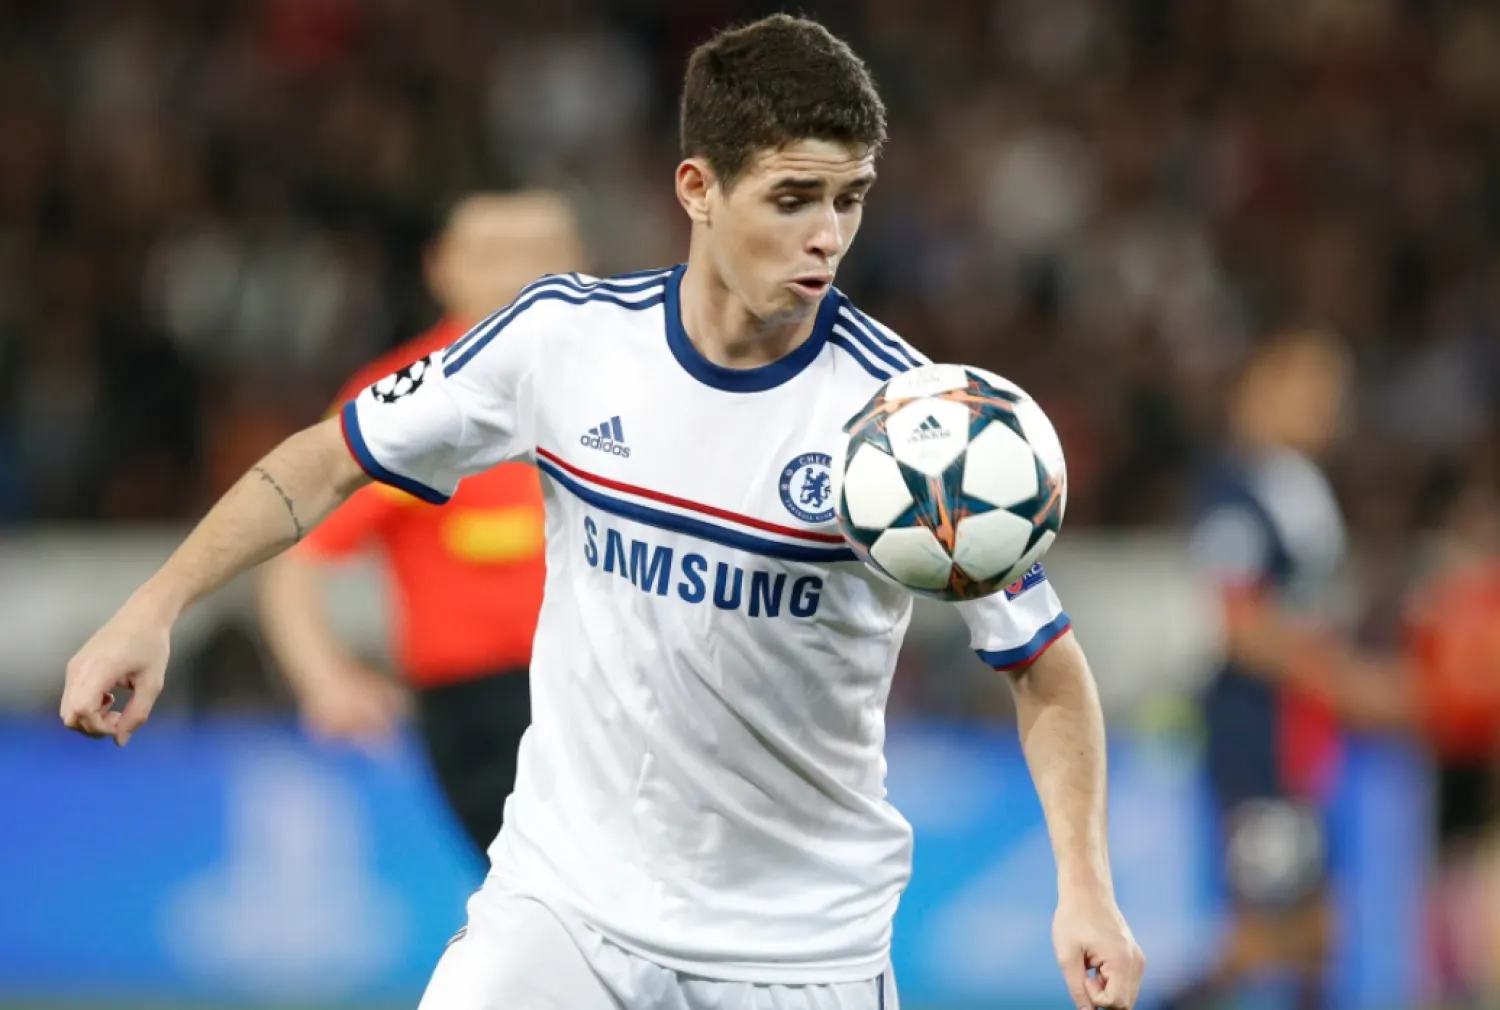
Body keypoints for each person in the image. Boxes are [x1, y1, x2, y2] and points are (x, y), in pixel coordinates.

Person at [61, 15, 1144, 1010]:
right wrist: (154, 605)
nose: (827, 235)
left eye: (850, 198)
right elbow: (327, 459)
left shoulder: (912, 427)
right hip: (564, 906)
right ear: (697, 186)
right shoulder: (563, 341)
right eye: (793, 195)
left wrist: (1084, 884)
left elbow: (1045, 663)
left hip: (797, 947)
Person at [257, 191, 585, 856]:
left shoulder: (628, 380)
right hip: (485, 712)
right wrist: (323, 677)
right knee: (558, 900)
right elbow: (295, 550)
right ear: (443, 268)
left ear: (581, 264)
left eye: (539, 254)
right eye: (494, 255)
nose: (516, 275)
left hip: (615, 685)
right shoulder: (402, 400)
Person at [1171, 328, 1359, 1010]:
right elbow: (1242, 624)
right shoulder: (1236, 488)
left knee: (1319, 934)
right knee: (1266, 937)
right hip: (1258, 732)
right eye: (1307, 385)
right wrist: (1350, 680)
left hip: (1304, 733)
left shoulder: (1300, 486)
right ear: (1258, 392)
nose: (1326, 403)